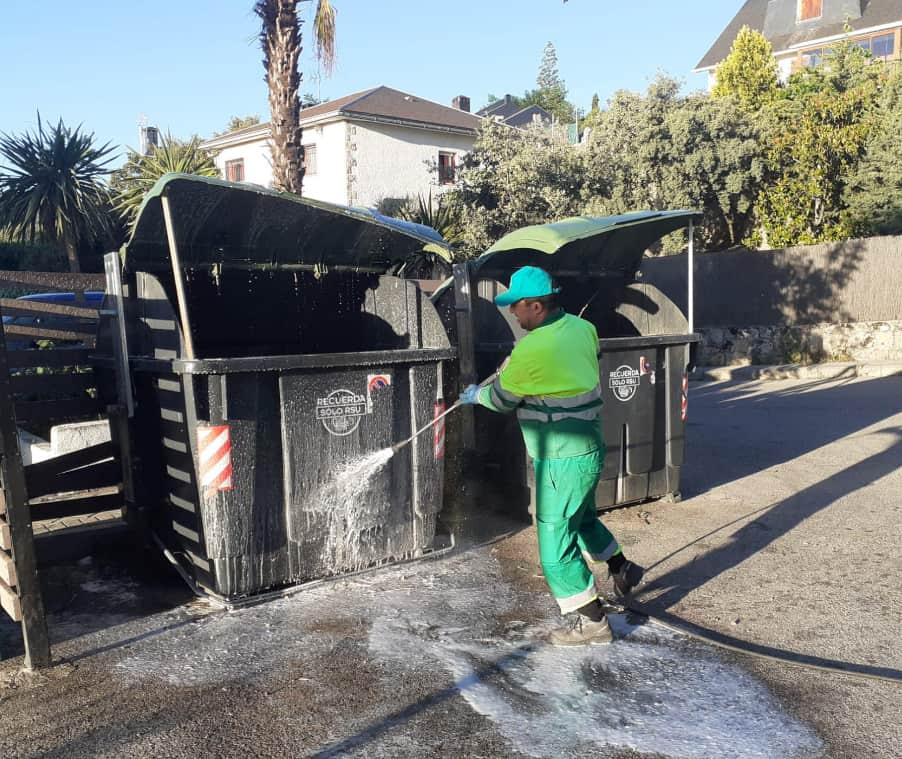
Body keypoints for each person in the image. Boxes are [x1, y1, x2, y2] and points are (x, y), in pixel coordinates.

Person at [459, 266, 644, 646]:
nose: (513, 313)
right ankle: (621, 567)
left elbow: (501, 399)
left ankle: (592, 624)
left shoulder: (532, 349)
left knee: (555, 547)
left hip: (560, 458)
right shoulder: (583, 328)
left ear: (536, 306)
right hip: (590, 448)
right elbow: (573, 363)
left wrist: (477, 395)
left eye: (517, 307)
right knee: (584, 519)